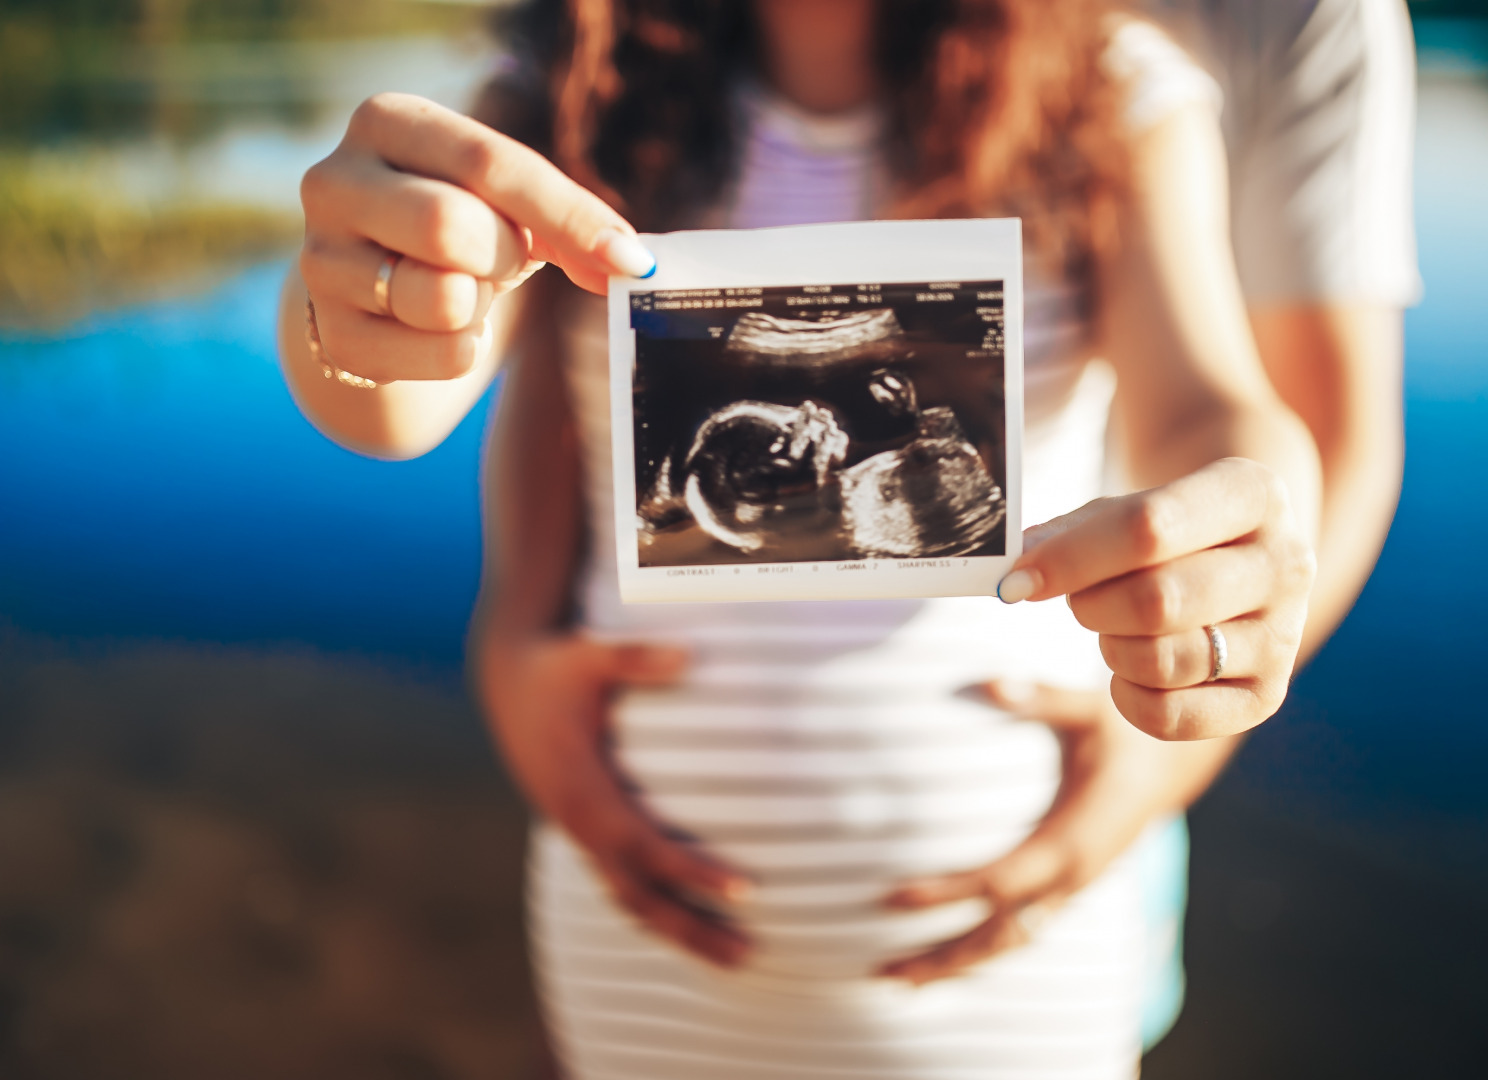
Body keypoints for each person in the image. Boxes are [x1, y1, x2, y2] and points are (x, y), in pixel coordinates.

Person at [274, 0, 1407, 1074]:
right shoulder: (562, 97)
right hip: (645, 971)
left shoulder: (1114, 93)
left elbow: (1205, 401)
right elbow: (392, 398)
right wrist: (356, 303)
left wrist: (1252, 502)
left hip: (1020, 986)